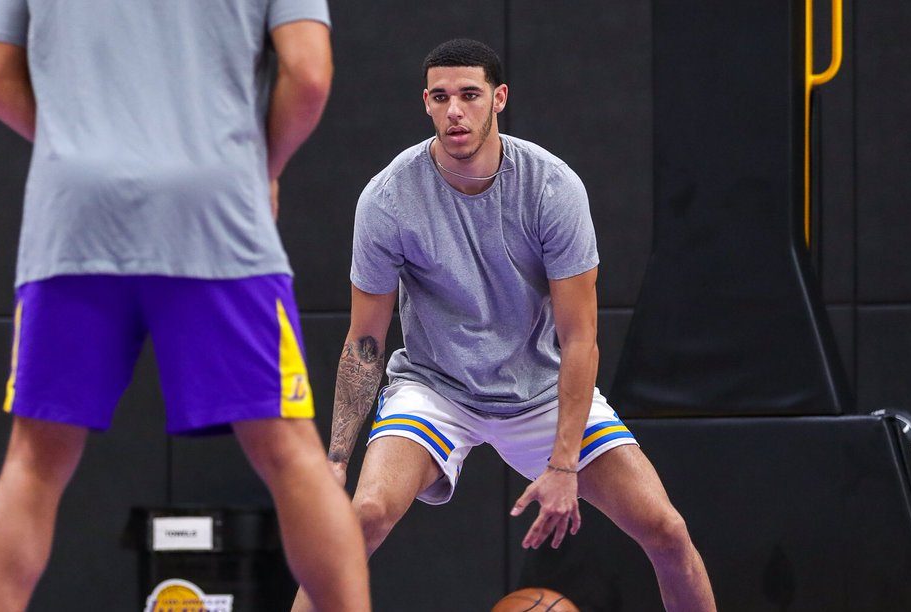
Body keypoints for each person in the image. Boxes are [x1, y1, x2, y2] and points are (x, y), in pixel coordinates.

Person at [0, 1, 370, 610]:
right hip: (214, 212)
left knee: (33, 462)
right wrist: (259, 169)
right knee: (292, 455)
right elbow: (310, 74)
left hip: (75, 219)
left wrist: (77, 147)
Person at [292, 39, 715, 612]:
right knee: (359, 518)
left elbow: (580, 339)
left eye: (469, 95)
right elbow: (365, 340)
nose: (455, 111)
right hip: (435, 386)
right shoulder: (389, 198)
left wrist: (564, 464)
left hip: (542, 388)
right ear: (425, 103)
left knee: (666, 529)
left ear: (499, 98)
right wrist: (337, 458)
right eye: (441, 98)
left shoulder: (550, 187)